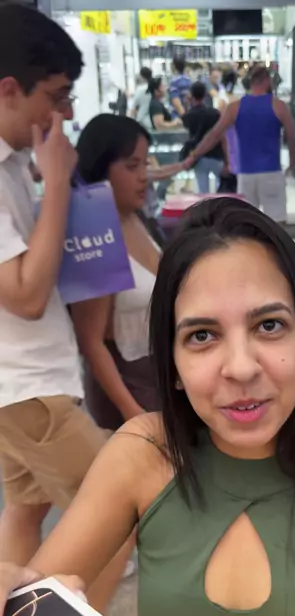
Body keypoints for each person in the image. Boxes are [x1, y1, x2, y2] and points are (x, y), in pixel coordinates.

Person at [0, 197, 295, 616]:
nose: (241, 368)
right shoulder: (143, 454)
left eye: (269, 325)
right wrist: (10, 593)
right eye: (202, 335)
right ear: (172, 366)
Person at [0, 4, 132, 610]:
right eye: (56, 97)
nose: (67, 114)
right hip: (28, 390)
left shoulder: (12, 165)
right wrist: (56, 182)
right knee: (118, 510)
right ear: (10, 90)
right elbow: (26, 295)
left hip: (25, 387)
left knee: (26, 511)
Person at [71, 115, 165, 431]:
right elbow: (91, 342)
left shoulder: (137, 218)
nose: (143, 176)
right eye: (131, 166)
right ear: (101, 169)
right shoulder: (93, 232)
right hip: (128, 389)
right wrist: (131, 411)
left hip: (164, 378)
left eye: (145, 164)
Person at [185, 65, 295, 224]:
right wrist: (292, 165)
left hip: (245, 175)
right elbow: (292, 139)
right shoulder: (279, 106)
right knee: (277, 224)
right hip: (272, 172)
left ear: (250, 82)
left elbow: (214, 135)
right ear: (267, 81)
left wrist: (194, 155)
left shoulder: (235, 108)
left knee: (247, 225)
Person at [182, 81, 226, 194]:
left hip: (198, 156)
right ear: (205, 94)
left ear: (191, 95)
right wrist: (228, 159)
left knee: (202, 191)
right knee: (222, 189)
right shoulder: (215, 113)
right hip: (217, 155)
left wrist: (186, 104)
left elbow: (185, 121)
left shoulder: (190, 115)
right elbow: (222, 136)